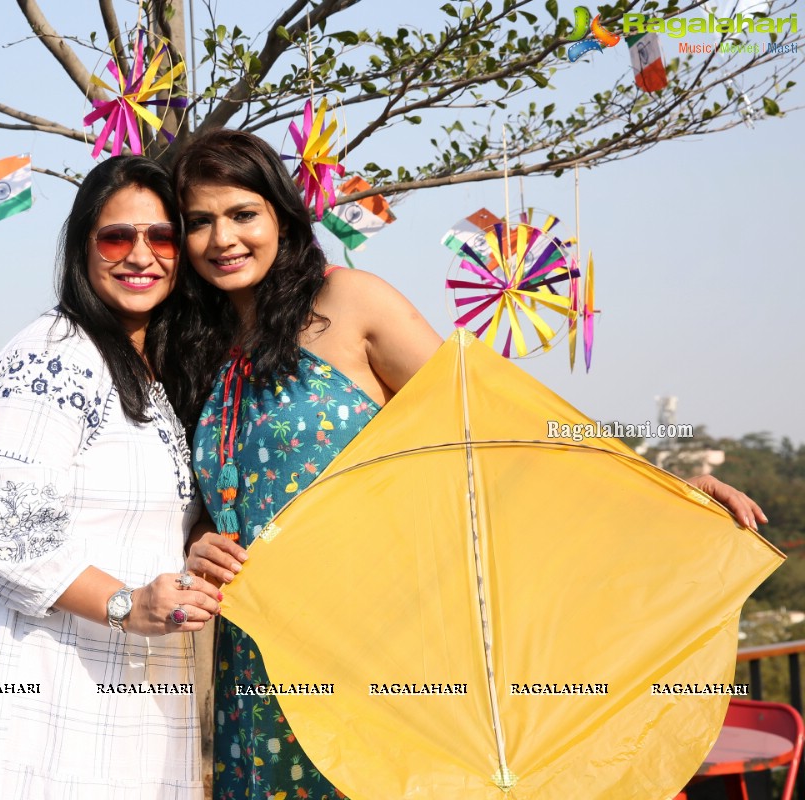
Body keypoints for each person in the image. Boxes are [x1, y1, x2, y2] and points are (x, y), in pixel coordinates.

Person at [165, 128, 769, 800]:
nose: (223, 239)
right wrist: (199, 539)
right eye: (200, 222)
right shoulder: (198, 346)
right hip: (258, 645)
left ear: (280, 213)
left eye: (242, 214)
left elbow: (488, 427)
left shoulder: (349, 302)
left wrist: (658, 490)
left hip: (378, 634)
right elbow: (204, 493)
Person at [0, 155, 220, 800]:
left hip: (126, 682)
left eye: (161, 237)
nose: (141, 255)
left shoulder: (148, 368)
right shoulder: (51, 355)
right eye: (116, 236)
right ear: (82, 247)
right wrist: (128, 604)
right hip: (37, 683)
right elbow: (4, 534)